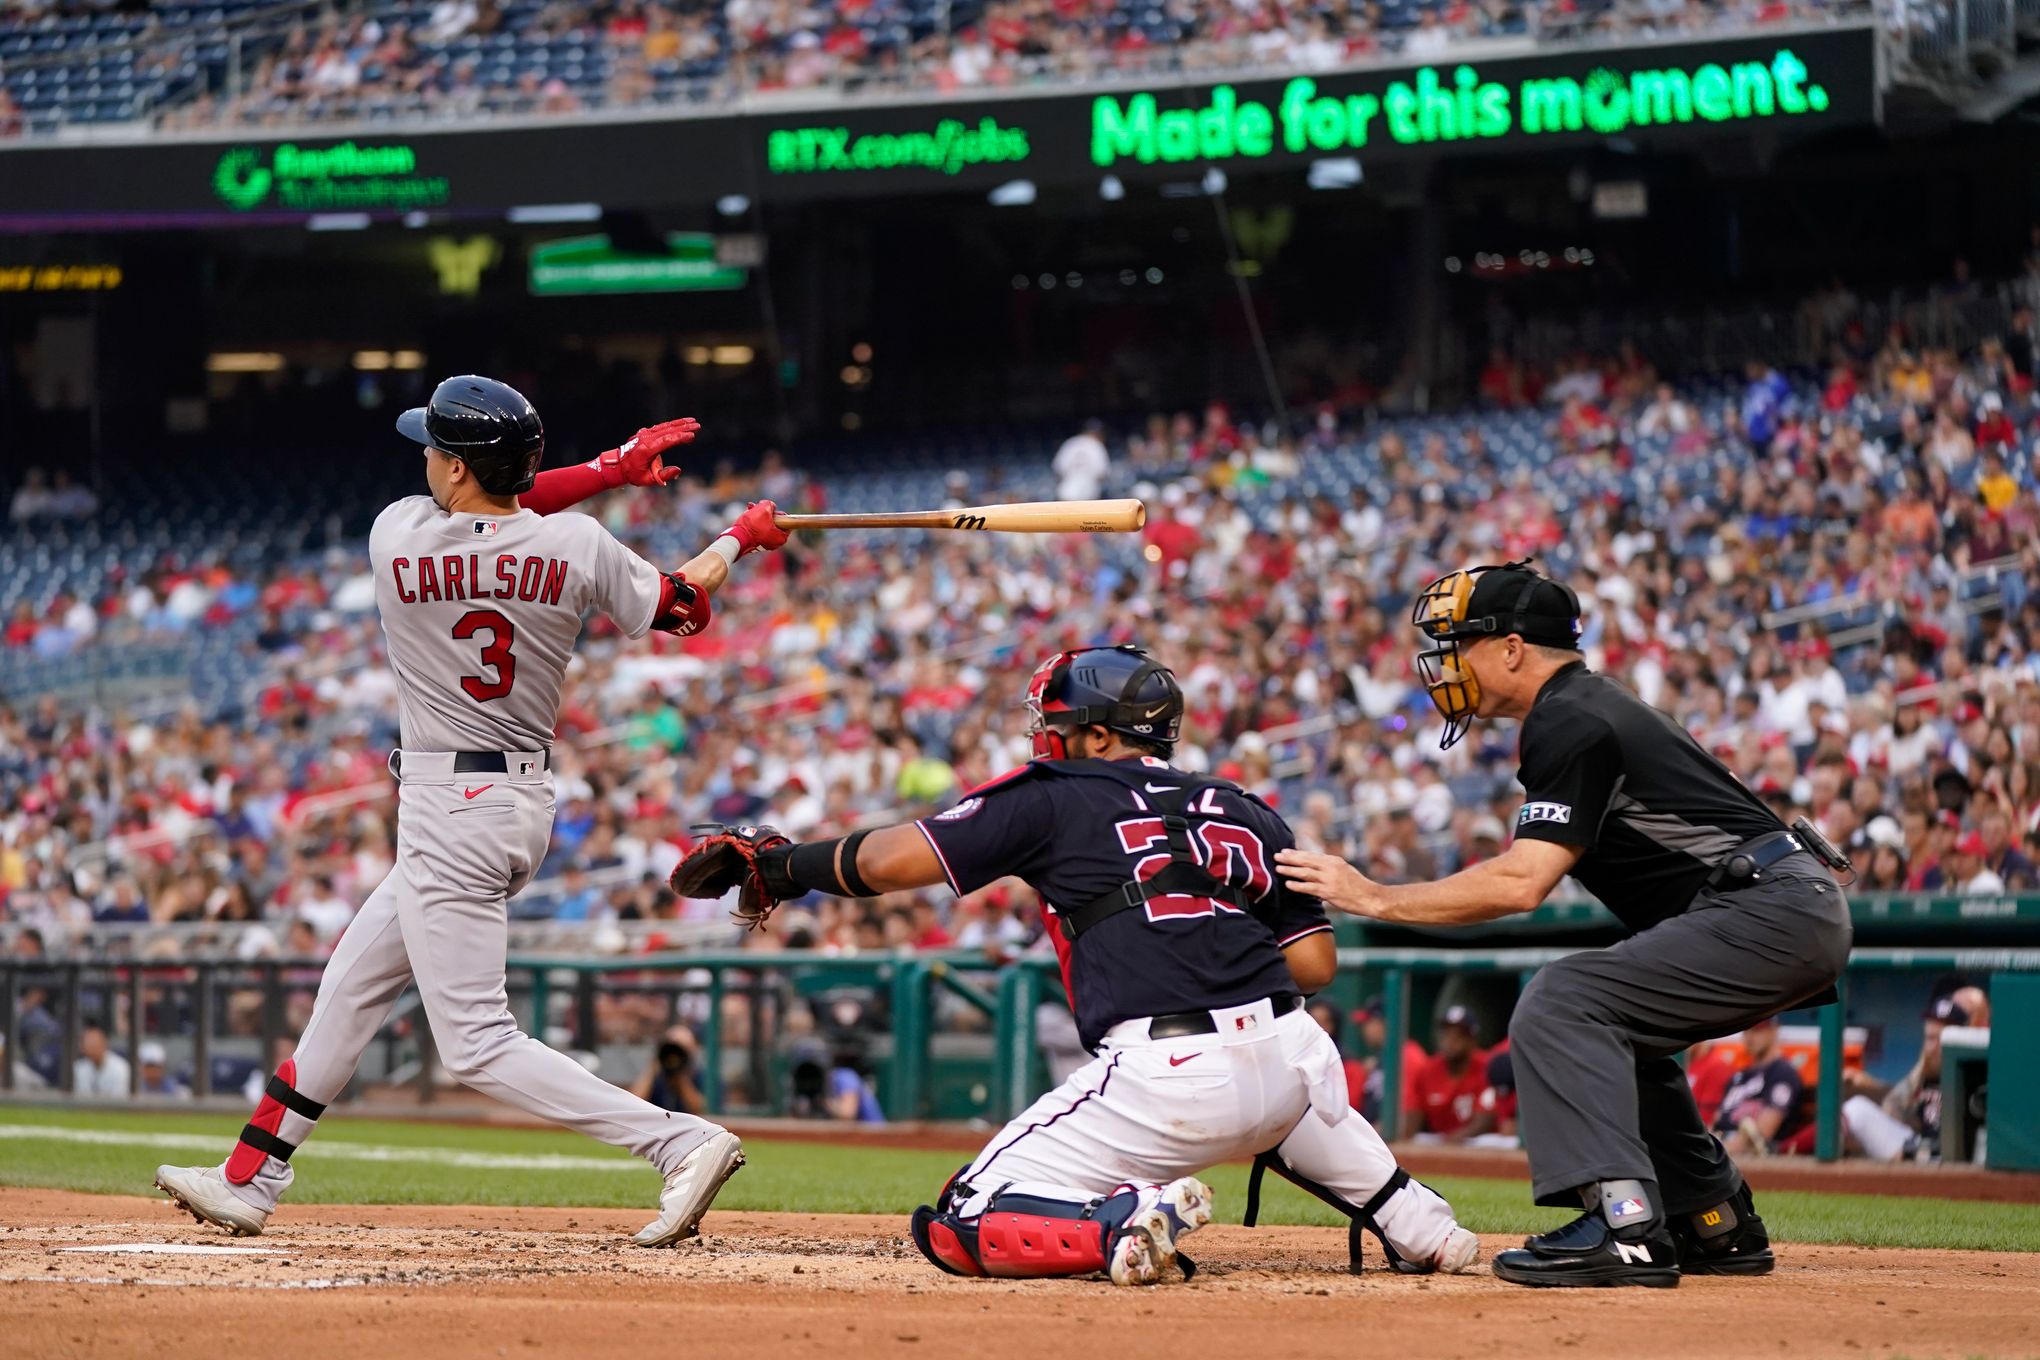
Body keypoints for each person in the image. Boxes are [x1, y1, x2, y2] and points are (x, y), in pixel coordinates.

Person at [155, 375, 785, 1246]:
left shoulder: (395, 535)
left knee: (476, 1043)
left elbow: (504, 509)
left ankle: (679, 1141)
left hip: (451, 806)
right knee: (349, 989)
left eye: (435, 451)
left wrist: (606, 468)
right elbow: (683, 606)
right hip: (514, 799)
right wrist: (738, 538)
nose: (425, 462)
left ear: (456, 468)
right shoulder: (577, 548)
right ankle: (252, 1175)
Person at [668, 644, 1478, 1286]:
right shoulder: (1243, 804)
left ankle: (1124, 1223)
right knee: (1278, 1087)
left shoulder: (1055, 791)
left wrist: (775, 866)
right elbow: (1313, 962)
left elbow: (886, 864)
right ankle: (1420, 1223)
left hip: (1171, 1072)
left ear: (1097, 735)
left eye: (1056, 722)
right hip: (1298, 1061)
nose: (1044, 735)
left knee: (960, 1218)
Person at [1278, 560, 1851, 1288]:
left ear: (1512, 648)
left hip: (1769, 905)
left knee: (1564, 1000)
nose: (1445, 664)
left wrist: (1375, 897)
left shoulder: (1568, 715)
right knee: (1618, 1034)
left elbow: (1523, 883)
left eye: (1459, 644)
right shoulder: (1585, 705)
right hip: (1781, 901)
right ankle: (1715, 1218)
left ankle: (1624, 1225)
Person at [1843, 994, 1973, 1162]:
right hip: (1922, 1150)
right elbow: (1892, 1105)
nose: (1935, 1046)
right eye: (1930, 1038)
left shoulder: (1973, 1073)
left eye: (1943, 1039)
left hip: (1959, 1156)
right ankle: (1803, 1155)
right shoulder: (1924, 1073)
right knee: (1858, 1108)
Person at [1713, 1017, 1807, 1157]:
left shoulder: (1783, 1073)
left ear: (1774, 1030)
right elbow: (1717, 1121)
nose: (1750, 1037)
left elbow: (1760, 1136)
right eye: (1746, 1031)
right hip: (1722, 1147)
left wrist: (1715, 1153)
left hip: (1752, 1156)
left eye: (1757, 1030)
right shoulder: (1740, 1076)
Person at [1406, 1005, 1488, 1141]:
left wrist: (1450, 1142)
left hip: (1476, 1143)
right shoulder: (1428, 1070)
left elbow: (1485, 1122)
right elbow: (1412, 1120)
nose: (1450, 1041)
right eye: (1446, 1033)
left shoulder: (1485, 1067)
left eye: (1458, 1035)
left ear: (1472, 1040)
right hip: (1439, 1140)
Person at [630, 1024, 705, 1114]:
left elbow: (701, 1110)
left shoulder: (702, 1077)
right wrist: (653, 1068)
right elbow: (633, 1105)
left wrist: (681, 1080)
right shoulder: (656, 1077)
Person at [1052, 418, 1110, 501]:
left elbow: (1058, 469)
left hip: (1065, 493)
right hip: (1088, 495)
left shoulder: (1071, 443)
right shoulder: (1096, 445)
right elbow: (1102, 473)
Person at [73, 1022, 132, 1097]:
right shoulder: (79, 1068)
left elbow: (119, 1100)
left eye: (94, 1043)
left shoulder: (121, 1067)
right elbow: (80, 1098)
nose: (91, 1047)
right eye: (87, 1043)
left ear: (104, 1043)